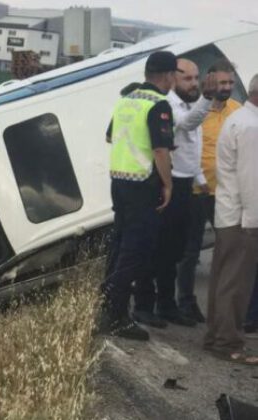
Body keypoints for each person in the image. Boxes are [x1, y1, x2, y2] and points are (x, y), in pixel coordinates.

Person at [133, 59, 218, 328]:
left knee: (175, 249)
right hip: (165, 182)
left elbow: (193, 145)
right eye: (188, 79)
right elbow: (187, 126)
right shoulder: (168, 104)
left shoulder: (191, 104)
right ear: (173, 77)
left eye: (196, 78)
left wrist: (200, 178)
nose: (193, 84)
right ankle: (145, 305)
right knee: (156, 247)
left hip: (186, 184)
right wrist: (207, 98)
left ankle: (167, 304)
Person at [99, 51, 177, 341]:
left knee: (120, 247)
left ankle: (110, 307)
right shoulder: (159, 104)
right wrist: (167, 184)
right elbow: (160, 150)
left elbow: (110, 136)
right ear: (169, 75)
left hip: (119, 180)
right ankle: (112, 313)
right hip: (143, 184)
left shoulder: (126, 100)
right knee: (135, 252)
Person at [177, 60, 242, 323]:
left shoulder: (238, 112)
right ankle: (185, 302)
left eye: (229, 83)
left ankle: (225, 305)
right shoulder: (195, 113)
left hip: (225, 193)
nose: (224, 87)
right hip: (195, 191)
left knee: (228, 250)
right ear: (209, 83)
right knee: (190, 252)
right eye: (220, 83)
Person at [204, 74, 258, 365]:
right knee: (236, 283)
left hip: (229, 212)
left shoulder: (240, 119)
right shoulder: (251, 126)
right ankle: (228, 342)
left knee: (223, 280)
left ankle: (216, 336)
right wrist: (253, 222)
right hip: (243, 217)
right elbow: (252, 180)